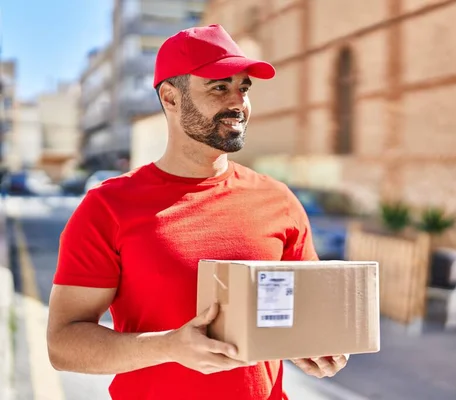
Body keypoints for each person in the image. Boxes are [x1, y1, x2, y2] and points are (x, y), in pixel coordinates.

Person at [47, 24, 348, 400]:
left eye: (243, 87)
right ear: (171, 98)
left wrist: (316, 344)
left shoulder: (279, 201)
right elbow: (62, 343)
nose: (238, 102)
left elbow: (302, 314)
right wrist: (168, 347)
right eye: (219, 87)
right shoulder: (108, 208)